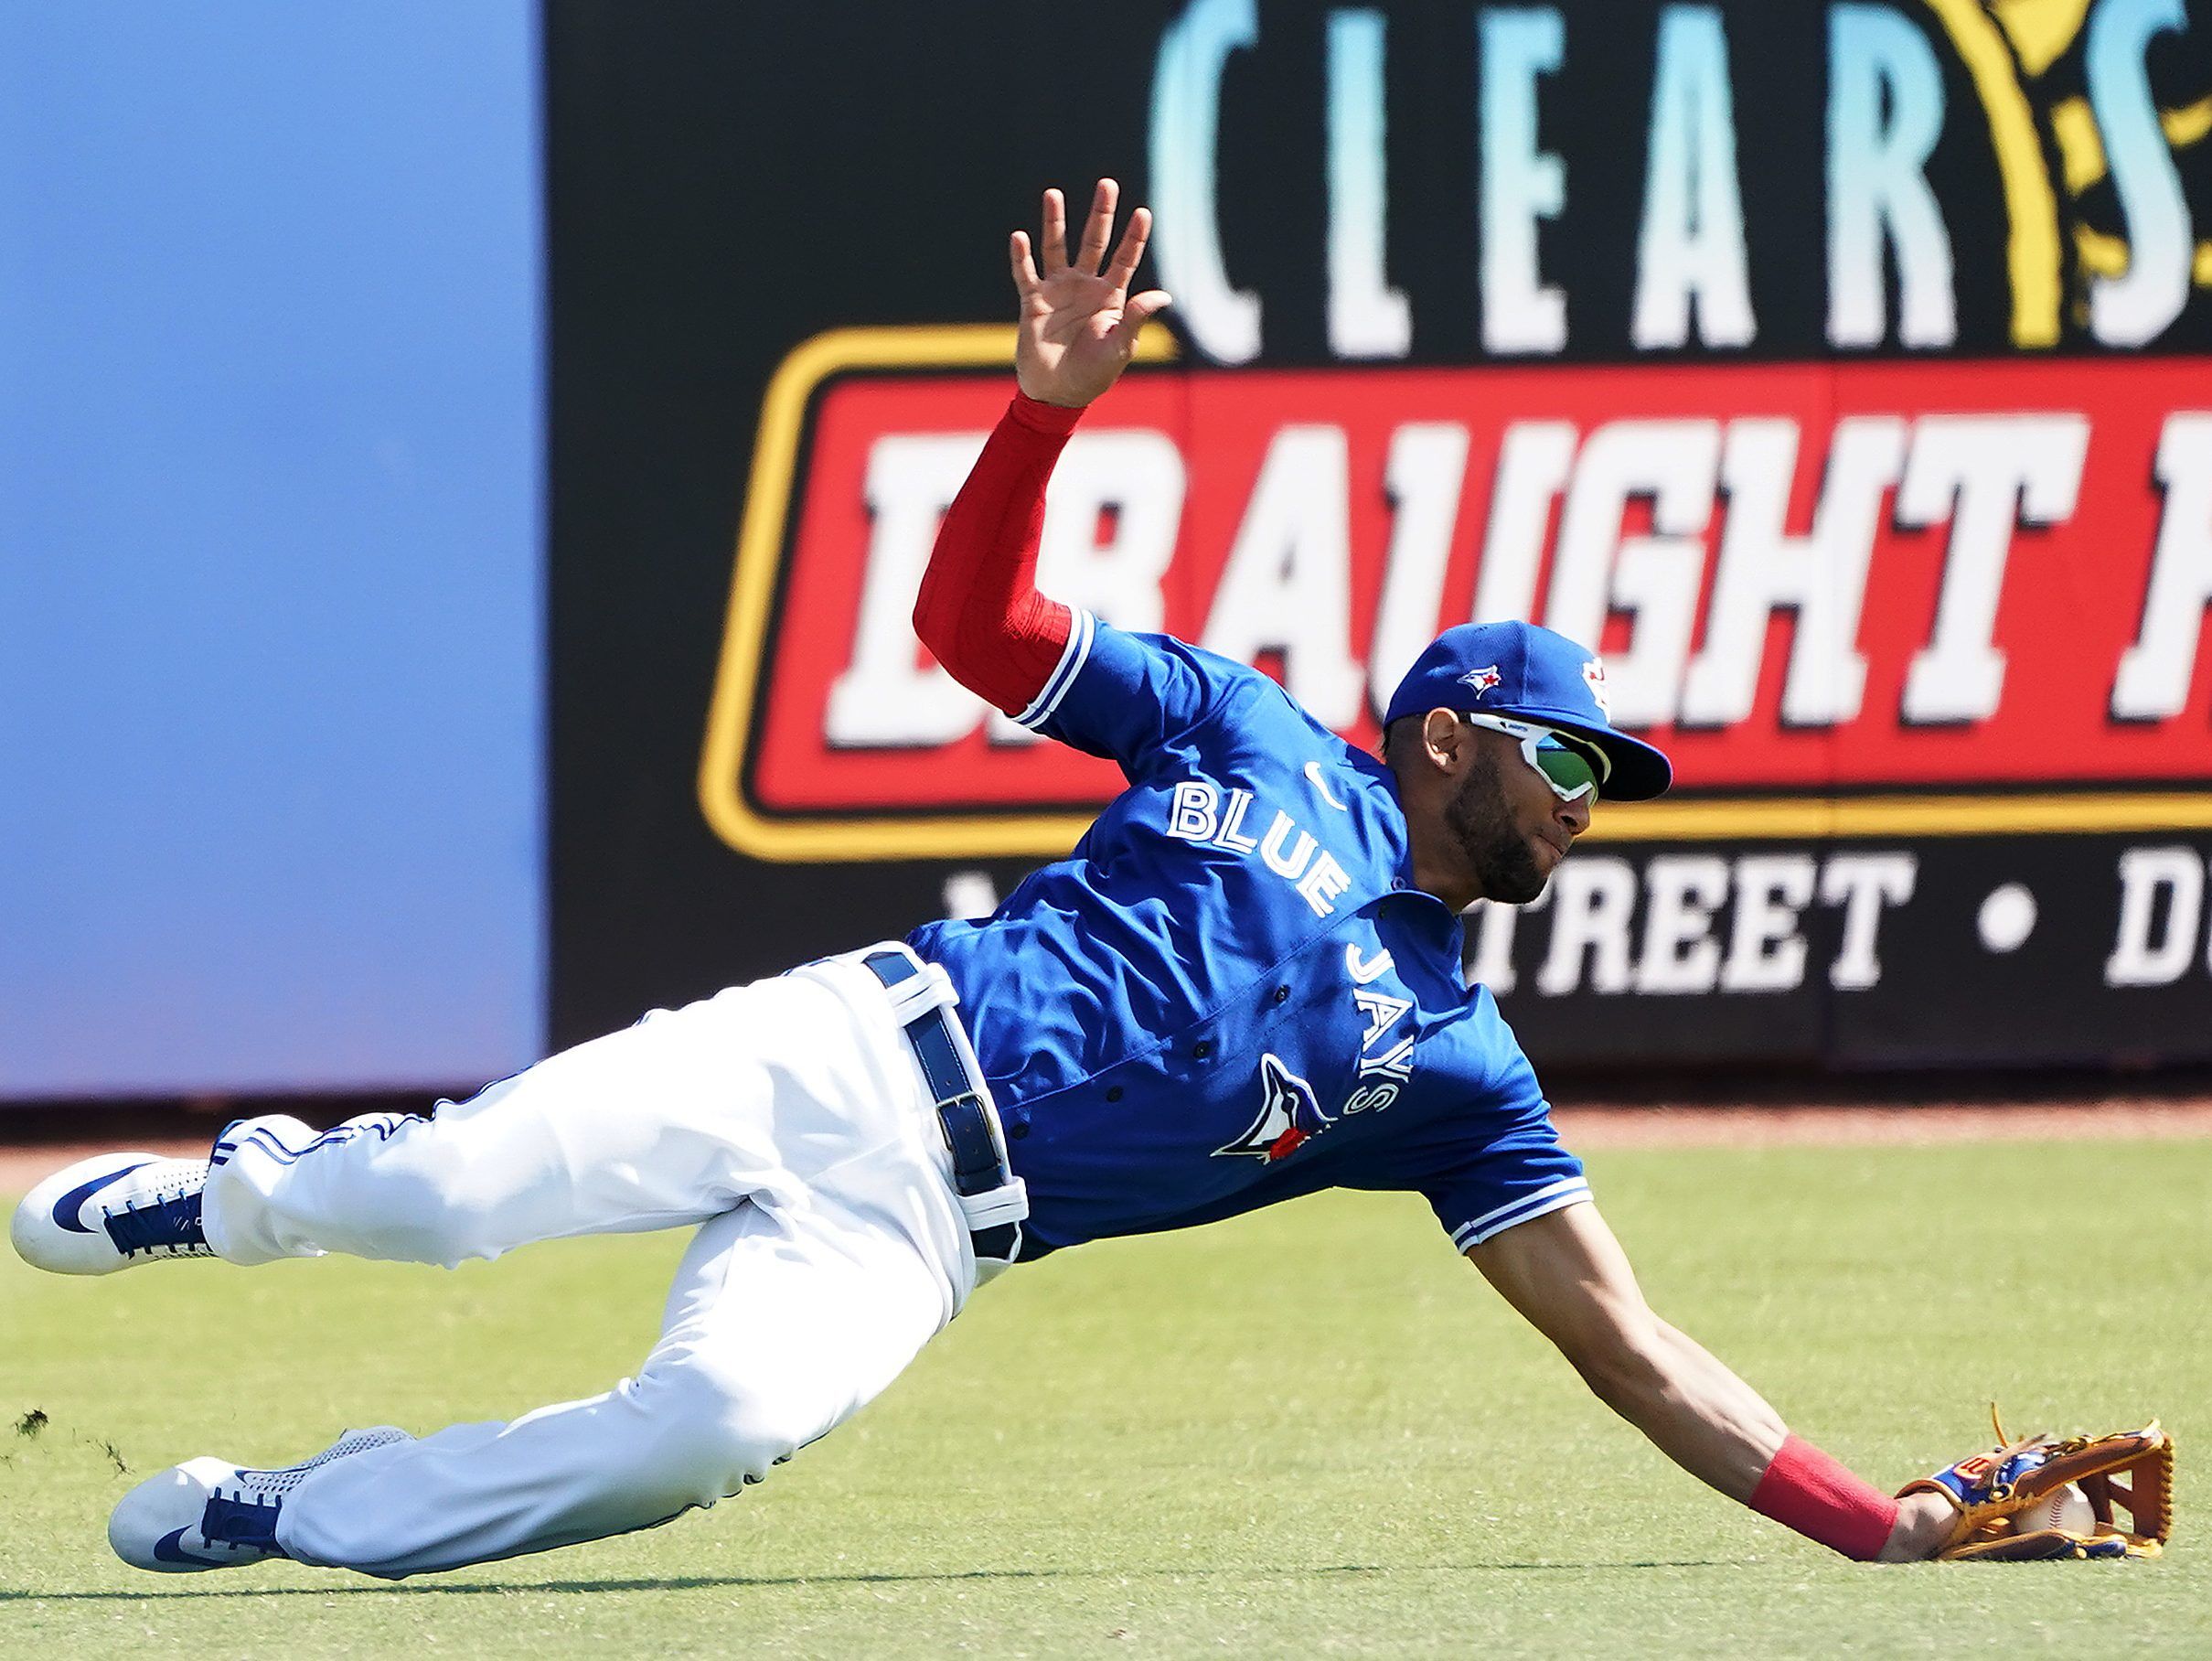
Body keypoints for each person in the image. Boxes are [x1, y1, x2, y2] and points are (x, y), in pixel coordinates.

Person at [12, 179, 1959, 1578]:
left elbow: (1631, 1345)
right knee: (441, 1188)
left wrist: (1874, 1521)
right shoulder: (1252, 731)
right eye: (1569, 760)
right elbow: (969, 621)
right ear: (1450, 730)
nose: (1588, 801)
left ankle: (293, 1508)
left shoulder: (1459, 1063)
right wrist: (1040, 415)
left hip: (932, 1236)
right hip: (846, 1045)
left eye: (1602, 778)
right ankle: (238, 1192)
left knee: (698, 1434)